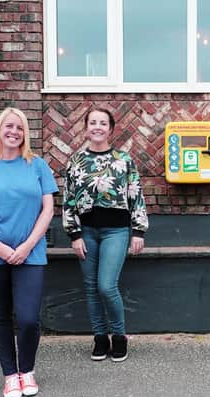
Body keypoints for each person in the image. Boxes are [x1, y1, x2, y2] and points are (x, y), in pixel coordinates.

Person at [0, 107, 58, 397]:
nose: (14, 132)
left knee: (29, 317)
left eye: (19, 127)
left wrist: (28, 245)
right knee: (0, 316)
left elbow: (48, 209)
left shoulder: (38, 165)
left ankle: (27, 370)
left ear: (25, 133)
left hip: (30, 254)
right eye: (8, 126)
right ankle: (10, 376)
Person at [63, 107, 148, 362]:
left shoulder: (123, 160)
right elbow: (68, 199)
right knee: (90, 288)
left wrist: (138, 231)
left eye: (103, 123)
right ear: (86, 127)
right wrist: (74, 234)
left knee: (106, 285)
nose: (97, 127)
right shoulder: (76, 161)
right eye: (92, 123)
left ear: (111, 129)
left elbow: (136, 195)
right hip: (86, 231)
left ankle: (119, 336)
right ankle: (100, 337)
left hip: (116, 231)